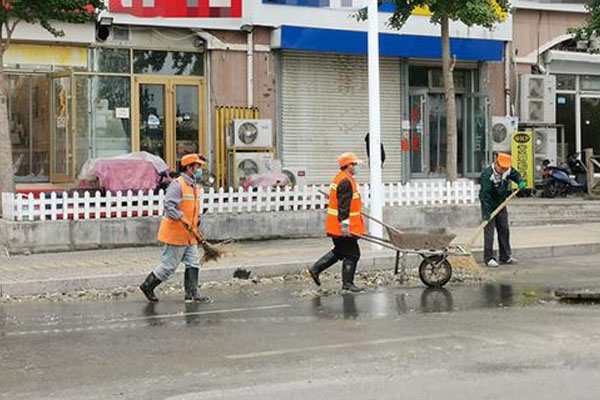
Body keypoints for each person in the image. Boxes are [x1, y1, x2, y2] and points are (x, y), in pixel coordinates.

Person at [139, 153, 212, 303]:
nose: (199, 170)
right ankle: (147, 286)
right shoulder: (177, 185)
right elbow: (169, 206)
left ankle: (192, 294)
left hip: (190, 235)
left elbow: (193, 210)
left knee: (193, 263)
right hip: (176, 234)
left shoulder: (194, 187)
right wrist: (181, 218)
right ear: (189, 168)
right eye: (197, 167)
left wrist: (197, 227)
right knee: (169, 267)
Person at [307, 152, 367, 292]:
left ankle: (316, 269)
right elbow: (343, 206)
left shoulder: (343, 178)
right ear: (348, 166)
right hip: (342, 226)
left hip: (337, 225)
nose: (358, 167)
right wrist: (345, 225)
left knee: (341, 251)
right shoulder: (345, 181)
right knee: (353, 254)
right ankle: (347, 284)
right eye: (355, 164)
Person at [479, 152, 526, 268]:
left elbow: (515, 174)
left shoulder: (507, 170)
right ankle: (488, 258)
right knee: (489, 232)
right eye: (502, 168)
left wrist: (520, 181)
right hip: (489, 205)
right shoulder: (487, 175)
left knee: (504, 229)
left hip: (501, 203)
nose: (504, 170)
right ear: (496, 164)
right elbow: (485, 196)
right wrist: (487, 213)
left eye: (506, 168)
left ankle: (505, 256)